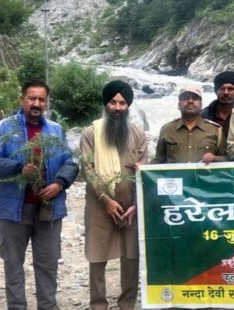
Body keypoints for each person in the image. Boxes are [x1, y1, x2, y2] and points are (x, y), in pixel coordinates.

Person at [0, 80, 79, 309]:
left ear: (46, 103)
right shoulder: (5, 128)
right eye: (31, 98)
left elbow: (70, 162)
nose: (36, 103)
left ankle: (47, 306)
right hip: (14, 209)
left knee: (48, 264)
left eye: (41, 99)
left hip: (49, 209)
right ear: (22, 100)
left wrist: (59, 184)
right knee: (13, 264)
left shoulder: (56, 131)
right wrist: (19, 168)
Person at [80, 80, 147, 310]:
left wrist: (137, 205)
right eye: (113, 102)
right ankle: (98, 304)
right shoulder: (90, 133)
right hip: (99, 205)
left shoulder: (137, 133)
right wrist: (106, 201)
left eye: (122, 103)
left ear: (128, 106)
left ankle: (127, 303)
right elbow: (87, 169)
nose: (118, 107)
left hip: (131, 206)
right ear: (106, 104)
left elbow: (144, 169)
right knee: (97, 256)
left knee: (131, 257)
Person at [155, 86, 224, 164]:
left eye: (195, 98)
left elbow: (227, 159)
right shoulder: (167, 129)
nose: (190, 101)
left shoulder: (215, 130)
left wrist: (215, 158)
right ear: (178, 105)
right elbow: (158, 161)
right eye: (185, 98)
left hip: (205, 176)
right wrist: (141, 167)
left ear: (201, 105)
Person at [201, 71, 234, 156]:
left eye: (230, 89)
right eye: (222, 89)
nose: (226, 92)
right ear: (216, 91)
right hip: (210, 164)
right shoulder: (203, 116)